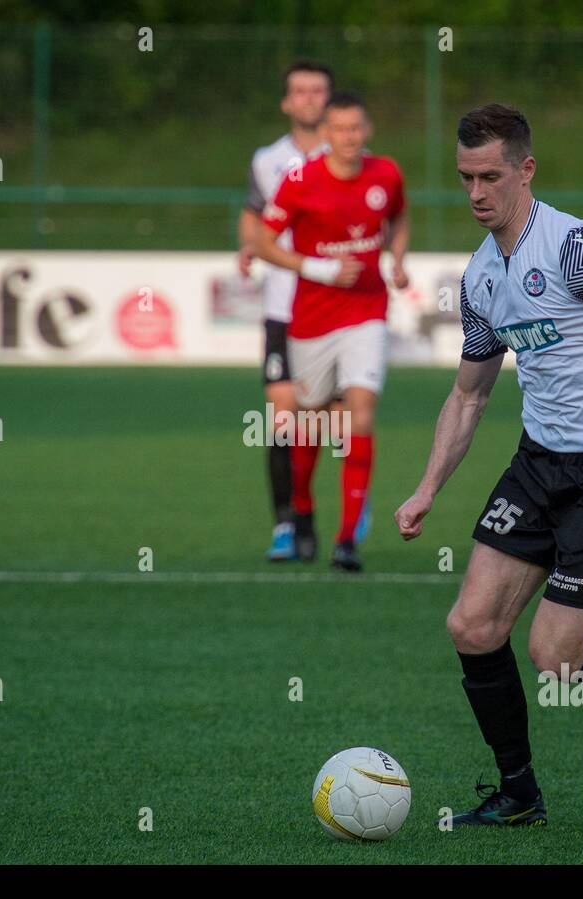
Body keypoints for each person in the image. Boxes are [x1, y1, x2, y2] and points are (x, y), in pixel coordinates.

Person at [394, 104, 583, 827]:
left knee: (557, 658)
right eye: (466, 178)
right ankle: (519, 792)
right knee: (471, 625)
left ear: (525, 170)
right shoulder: (478, 279)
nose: (476, 193)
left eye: (491, 176)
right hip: (539, 462)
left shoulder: (576, 251)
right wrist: (427, 487)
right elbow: (469, 395)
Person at [253, 91, 409, 572]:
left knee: (359, 414)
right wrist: (316, 269)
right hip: (312, 321)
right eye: (339, 129)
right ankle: (302, 508)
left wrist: (397, 260)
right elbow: (262, 241)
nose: (348, 137)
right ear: (325, 134)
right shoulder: (300, 181)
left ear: (368, 130)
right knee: (312, 422)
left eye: (356, 128)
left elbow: (398, 216)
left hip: (366, 312)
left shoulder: (386, 173)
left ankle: (347, 540)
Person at [238, 60, 333, 561]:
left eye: (318, 91)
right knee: (281, 418)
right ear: (286, 102)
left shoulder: (343, 158)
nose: (309, 99)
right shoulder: (266, 159)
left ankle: (311, 516)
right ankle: (285, 525)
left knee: (321, 423)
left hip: (330, 310)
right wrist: (247, 246)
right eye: (300, 91)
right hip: (281, 308)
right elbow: (253, 214)